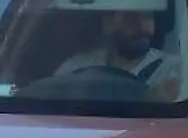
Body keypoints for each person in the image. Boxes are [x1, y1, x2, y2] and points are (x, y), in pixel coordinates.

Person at [53, 9, 181, 100]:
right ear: (107, 24)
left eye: (147, 16)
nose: (142, 26)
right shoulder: (79, 65)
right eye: (130, 17)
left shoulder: (175, 69)